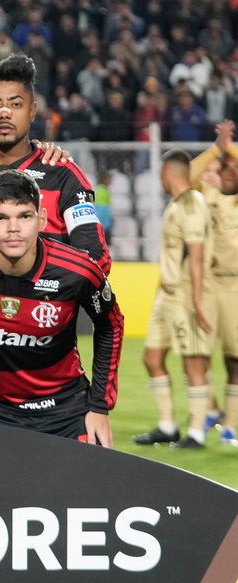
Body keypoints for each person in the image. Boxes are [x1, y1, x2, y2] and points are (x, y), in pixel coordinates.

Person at [0, 169, 123, 445]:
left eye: (24, 216)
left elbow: (111, 325)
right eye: (1, 218)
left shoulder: (78, 270)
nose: (13, 228)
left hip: (65, 410)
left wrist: (99, 406)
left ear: (41, 219)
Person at [0, 54, 111, 273]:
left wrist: (38, 282)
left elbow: (96, 260)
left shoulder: (62, 174)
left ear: (32, 111)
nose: (4, 113)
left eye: (15, 104)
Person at [134, 150, 217, 448]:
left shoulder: (193, 205)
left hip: (185, 295)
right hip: (167, 296)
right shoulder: (177, 204)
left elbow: (196, 256)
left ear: (168, 172)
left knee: (193, 361)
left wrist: (197, 301)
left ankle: (196, 433)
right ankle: (168, 426)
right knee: (152, 358)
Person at [187, 119, 238, 446]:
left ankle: (230, 425)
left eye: (233, 168)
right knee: (197, 355)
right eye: (224, 168)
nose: (228, 171)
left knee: (235, 360)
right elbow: (191, 174)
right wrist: (217, 149)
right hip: (209, 285)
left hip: (236, 288)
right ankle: (209, 411)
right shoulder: (210, 196)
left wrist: (230, 150)